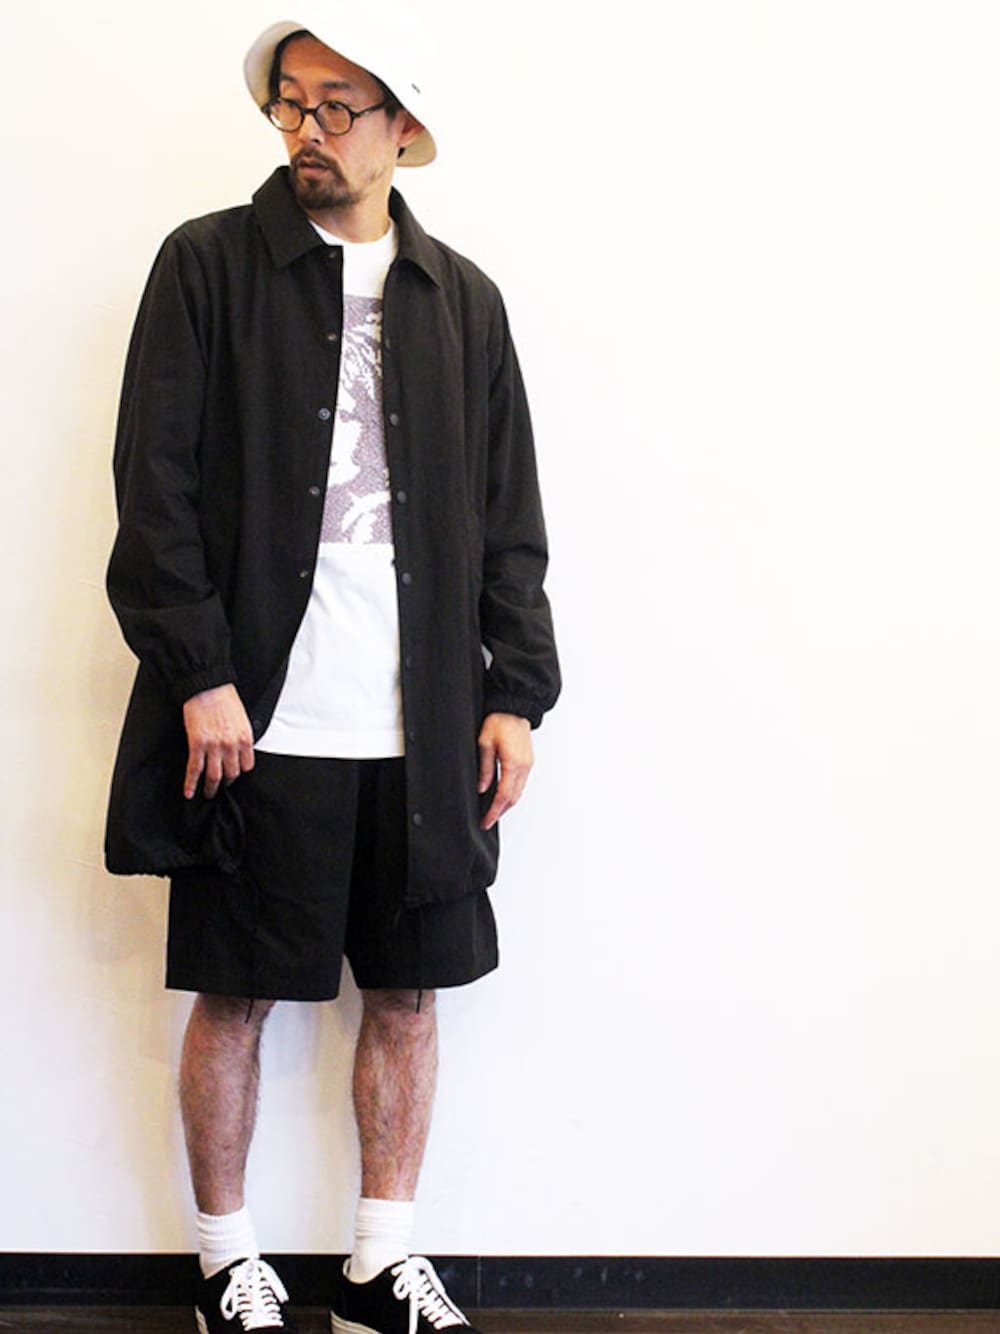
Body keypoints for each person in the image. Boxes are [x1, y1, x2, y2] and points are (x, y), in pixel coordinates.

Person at [103, 6, 560, 1333]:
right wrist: (198, 670)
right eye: (290, 102)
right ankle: (225, 1261)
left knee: (409, 995)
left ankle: (380, 1259)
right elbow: (153, 487)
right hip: (259, 717)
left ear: (402, 130)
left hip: (422, 725)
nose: (306, 129)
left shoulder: (463, 302)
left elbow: (511, 518)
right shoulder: (207, 267)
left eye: (337, 106)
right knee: (237, 991)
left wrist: (514, 692)